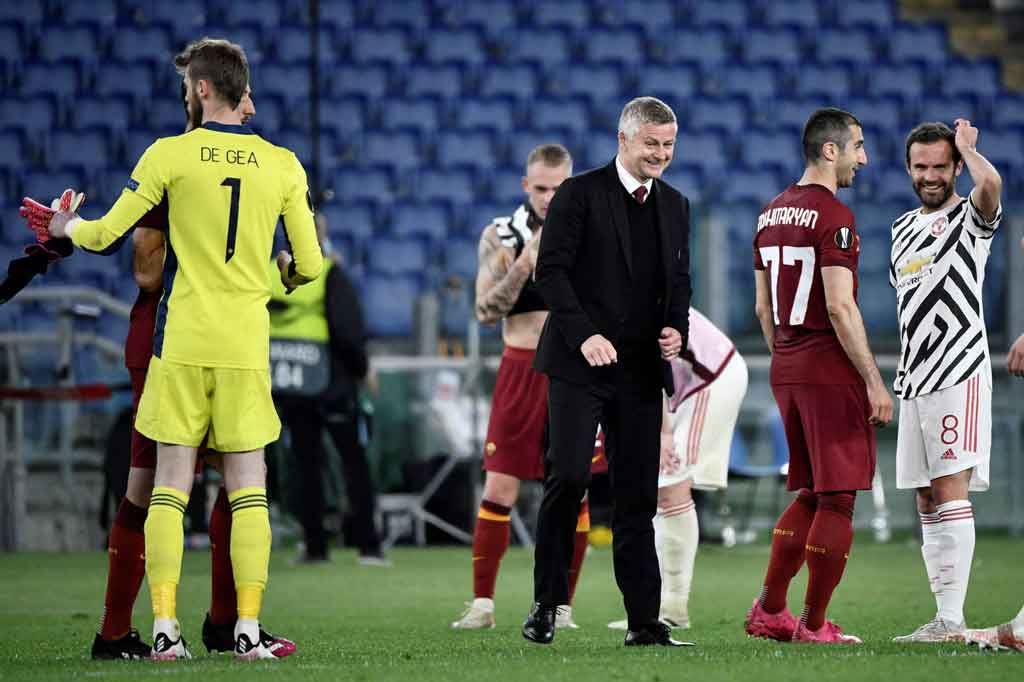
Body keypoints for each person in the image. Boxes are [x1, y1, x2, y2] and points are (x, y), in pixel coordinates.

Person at [44, 38, 322, 661]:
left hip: (182, 341)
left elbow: (108, 233)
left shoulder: (168, 154)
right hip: (244, 345)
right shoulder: (283, 164)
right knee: (249, 486)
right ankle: (247, 629)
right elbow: (309, 263)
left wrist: (65, 228)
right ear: (238, 88)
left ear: (199, 89)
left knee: (170, 485)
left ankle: (166, 630)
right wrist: (282, 271)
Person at [521, 96, 692, 648]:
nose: (661, 155)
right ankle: (546, 605)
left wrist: (676, 329)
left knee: (637, 496)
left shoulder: (677, 204)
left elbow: (679, 283)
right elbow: (551, 273)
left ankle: (644, 622)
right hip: (578, 364)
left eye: (668, 145)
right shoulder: (579, 193)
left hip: (641, 371)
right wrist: (586, 334)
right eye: (651, 144)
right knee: (568, 478)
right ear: (624, 139)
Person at [744, 107, 893, 645]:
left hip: (786, 363)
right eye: (857, 146)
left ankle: (770, 609)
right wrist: (874, 380)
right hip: (828, 368)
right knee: (838, 498)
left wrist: (788, 358)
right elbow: (840, 308)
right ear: (830, 150)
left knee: (811, 489)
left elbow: (763, 310)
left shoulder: (768, 214)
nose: (864, 158)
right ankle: (812, 625)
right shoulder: (835, 217)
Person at [451, 144, 596, 631]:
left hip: (574, 368)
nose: (550, 198)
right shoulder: (502, 235)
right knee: (499, 486)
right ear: (525, 186)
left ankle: (563, 607)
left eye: (559, 188)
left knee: (574, 489)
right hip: (521, 366)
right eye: (541, 188)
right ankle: (483, 604)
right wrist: (522, 265)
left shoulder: (588, 232)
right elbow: (484, 312)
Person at [889, 120, 1003, 644]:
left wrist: (969, 149)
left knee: (949, 488)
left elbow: (992, 187)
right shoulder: (900, 229)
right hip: (914, 376)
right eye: (921, 167)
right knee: (924, 497)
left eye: (941, 166)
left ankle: (953, 619)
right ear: (909, 168)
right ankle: (942, 617)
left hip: (959, 370)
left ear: (955, 166)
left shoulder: (970, 217)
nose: (931, 176)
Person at [607, 308, 748, 631]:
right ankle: (662, 607)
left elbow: (647, 363)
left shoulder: (624, 289)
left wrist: (664, 432)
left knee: (669, 485)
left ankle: (673, 609)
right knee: (661, 488)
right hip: (689, 382)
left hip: (711, 377)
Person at [269, 214, 387, 566]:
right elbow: (348, 330)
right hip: (333, 384)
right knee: (353, 464)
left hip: (290, 384)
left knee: (306, 467)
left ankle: (315, 546)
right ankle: (368, 546)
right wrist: (363, 370)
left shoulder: (267, 273)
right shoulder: (328, 273)